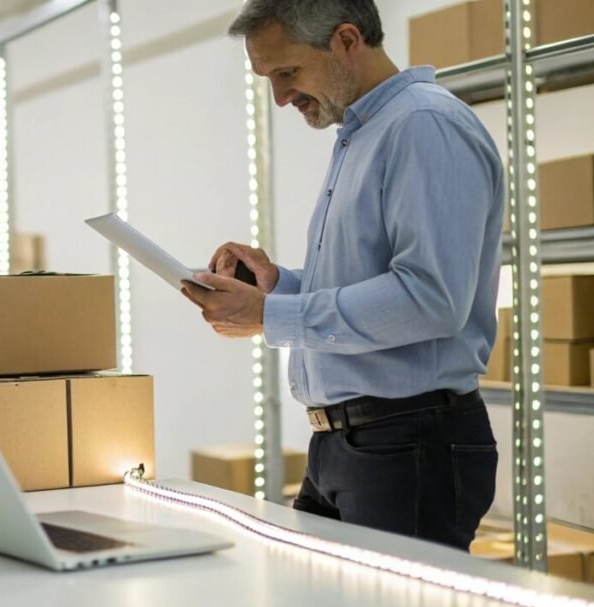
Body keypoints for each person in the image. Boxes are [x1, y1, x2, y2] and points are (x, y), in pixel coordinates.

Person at [182, 0, 504, 551]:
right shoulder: (365, 134)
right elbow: (373, 281)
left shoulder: (422, 127)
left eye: (288, 72)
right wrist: (277, 285)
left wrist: (270, 315)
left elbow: (430, 299)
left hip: (407, 443)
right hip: (350, 445)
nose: (280, 97)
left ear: (347, 40)